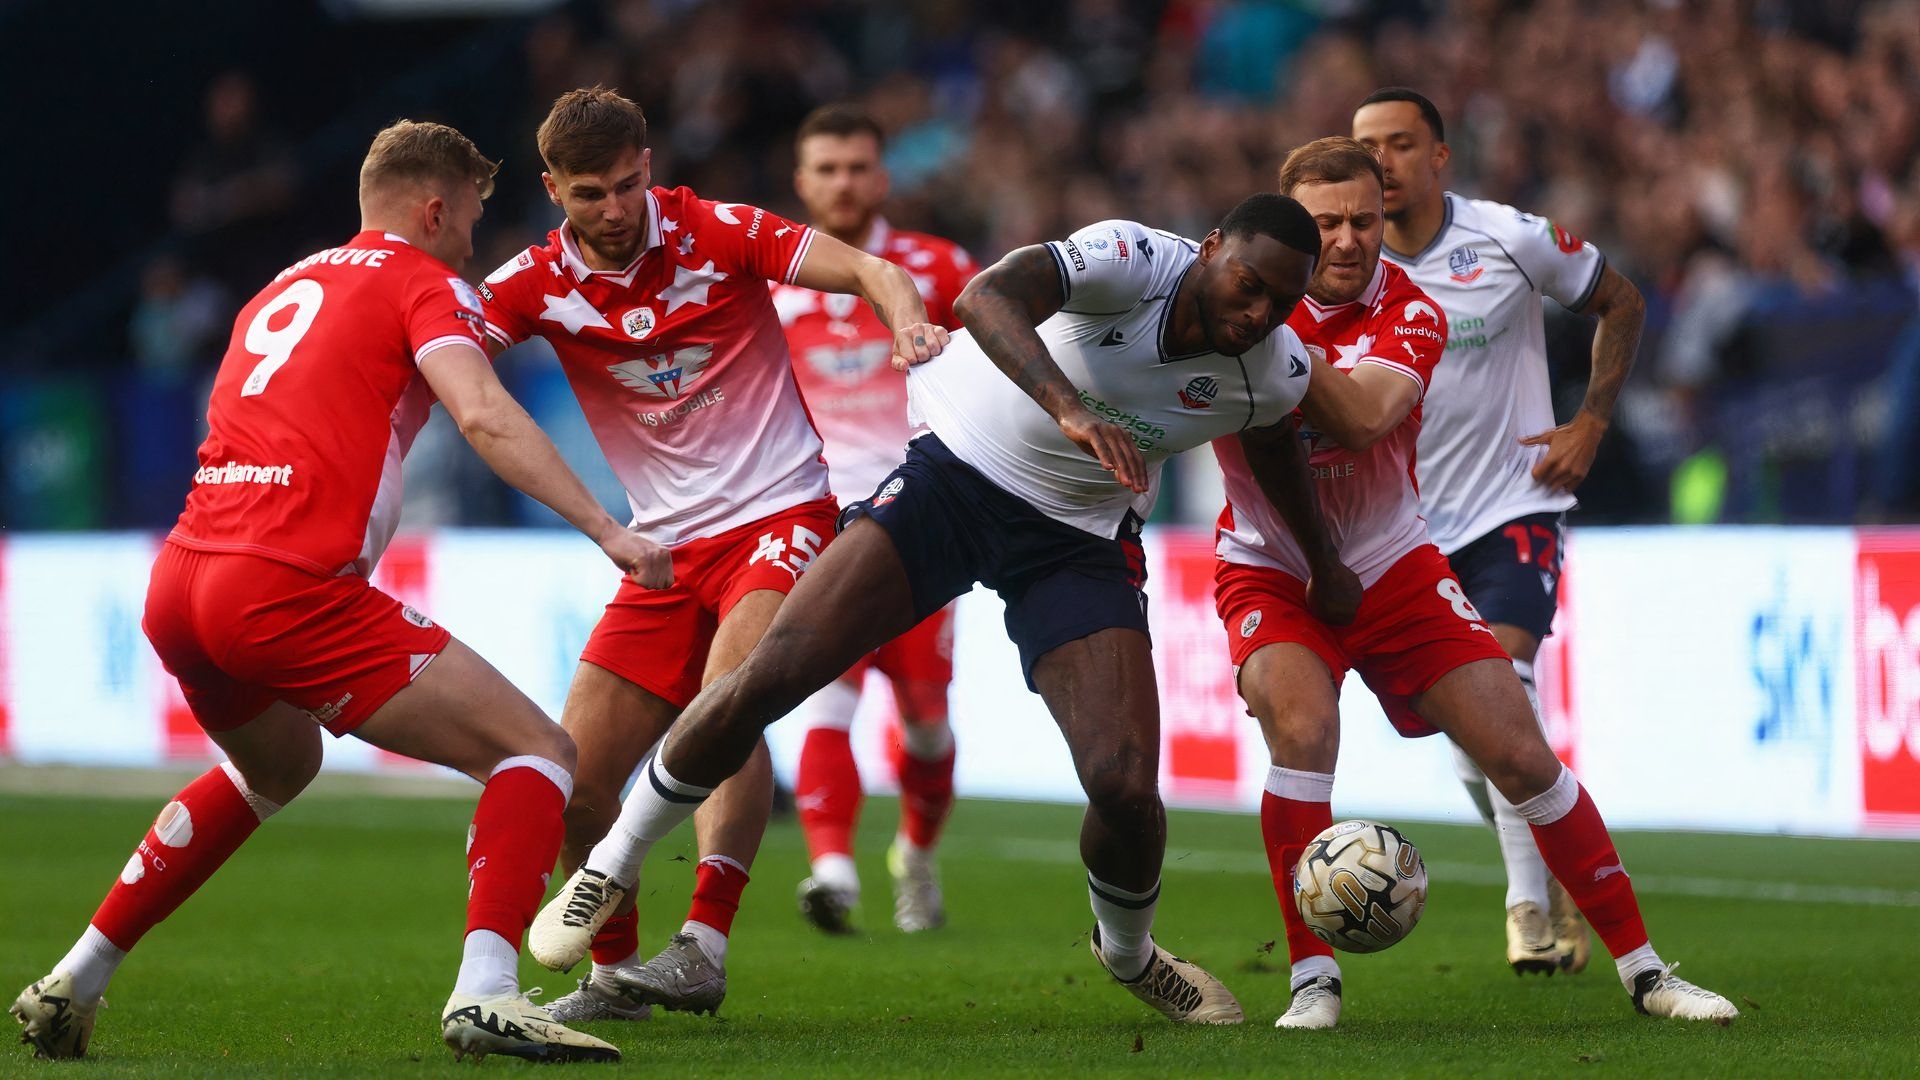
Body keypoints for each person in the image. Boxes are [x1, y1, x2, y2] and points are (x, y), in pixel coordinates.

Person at [538, 193, 1354, 1026]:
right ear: (1211, 248)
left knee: (1125, 786)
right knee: (771, 674)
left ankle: (1131, 953)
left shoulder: (1274, 368)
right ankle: (611, 867)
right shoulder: (1132, 258)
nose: (1257, 314)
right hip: (951, 480)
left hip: (1075, 540)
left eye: (1281, 303)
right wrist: (1065, 407)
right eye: (1247, 285)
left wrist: (1325, 563)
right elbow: (982, 298)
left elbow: (1275, 440)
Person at [12, 120, 668, 1064]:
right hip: (286, 588)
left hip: (185, 578)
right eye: (473, 218)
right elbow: (481, 412)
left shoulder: (280, 286)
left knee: (276, 769)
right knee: (538, 751)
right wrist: (608, 528)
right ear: (433, 210)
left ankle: (76, 977)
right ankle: (486, 992)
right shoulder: (423, 282)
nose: (474, 240)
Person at [1227, 137, 1733, 1031]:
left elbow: (1366, 419)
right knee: (1302, 730)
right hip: (1271, 569)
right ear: (1286, 229)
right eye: (1324, 224)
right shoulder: (1227, 304)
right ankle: (1314, 979)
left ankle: (1649, 972)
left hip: (1393, 567)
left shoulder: (1411, 312)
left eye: (1364, 221)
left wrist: (1269, 355)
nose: (1347, 241)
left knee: (1522, 753)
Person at [480, 88, 945, 1021]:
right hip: (662, 550)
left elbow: (871, 271)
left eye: (627, 185)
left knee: (726, 707)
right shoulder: (531, 285)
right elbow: (438, 352)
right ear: (551, 191)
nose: (614, 212)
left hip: (784, 516)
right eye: (588, 196)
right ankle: (615, 975)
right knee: (576, 778)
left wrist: (907, 321)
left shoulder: (715, 230)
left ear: (649, 165)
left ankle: (704, 943)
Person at [1352, 87, 1649, 975]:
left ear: (1440, 156)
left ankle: (1529, 911)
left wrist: (1590, 421)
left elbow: (1621, 300)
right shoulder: (1341, 268)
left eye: (1402, 144)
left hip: (1513, 506)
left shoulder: (1509, 239)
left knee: (1507, 684)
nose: (1384, 164)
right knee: (1478, 743)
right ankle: (1548, 865)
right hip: (1402, 533)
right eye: (1368, 148)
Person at [771, 104, 978, 934]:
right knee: (826, 695)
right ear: (801, 181)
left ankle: (916, 859)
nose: (843, 183)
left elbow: (997, 365)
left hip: (926, 520)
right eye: (827, 169)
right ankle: (831, 871)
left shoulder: (938, 264)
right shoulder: (769, 276)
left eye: (857, 167)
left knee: (927, 724)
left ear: (881, 177)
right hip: (822, 524)